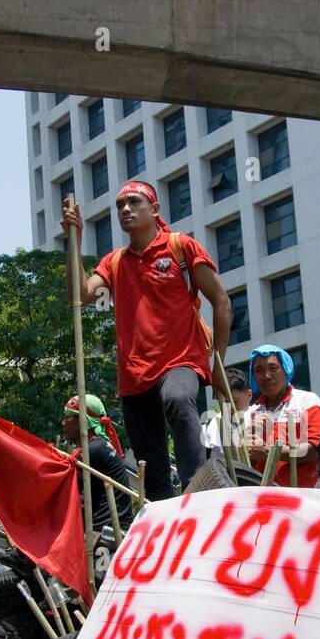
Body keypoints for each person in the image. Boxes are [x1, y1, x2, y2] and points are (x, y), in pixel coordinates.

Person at [63, 181, 233, 500]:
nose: (125, 209)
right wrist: (75, 238)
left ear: (154, 209)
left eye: (133, 202)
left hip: (181, 361)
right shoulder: (115, 262)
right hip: (134, 376)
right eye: (120, 206)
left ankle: (198, 490)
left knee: (179, 400)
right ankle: (165, 520)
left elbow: (221, 301)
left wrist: (217, 368)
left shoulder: (180, 246)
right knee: (150, 466)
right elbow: (80, 295)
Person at [244, 345, 320, 488]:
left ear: (286, 370)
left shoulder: (307, 401)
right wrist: (245, 442)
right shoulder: (250, 414)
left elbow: (316, 450)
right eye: (259, 370)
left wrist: (269, 452)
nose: (266, 376)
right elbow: (244, 464)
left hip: (304, 496)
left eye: (273, 368)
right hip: (265, 499)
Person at [61, 393, 135, 533]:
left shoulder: (94, 450)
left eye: (68, 418)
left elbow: (65, 486)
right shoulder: (99, 446)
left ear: (84, 421)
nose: (63, 423)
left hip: (109, 531)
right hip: (109, 526)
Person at [202, 368, 253, 459]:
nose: (230, 407)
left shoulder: (257, 417)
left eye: (235, 401)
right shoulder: (215, 424)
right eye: (225, 402)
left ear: (249, 395)